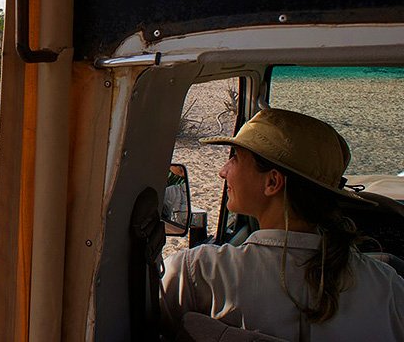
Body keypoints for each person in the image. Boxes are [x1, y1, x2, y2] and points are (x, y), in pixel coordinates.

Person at [160, 108, 404, 341]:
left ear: (273, 182)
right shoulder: (388, 286)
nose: (223, 171)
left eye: (234, 158)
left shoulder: (199, 273)